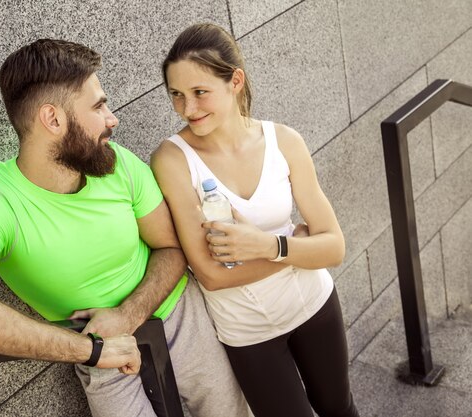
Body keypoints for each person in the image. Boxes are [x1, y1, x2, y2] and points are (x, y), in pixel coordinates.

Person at [0, 38, 249, 417]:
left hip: (180, 316)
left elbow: (172, 247)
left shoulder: (119, 163)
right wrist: (93, 350)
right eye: (98, 106)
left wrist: (128, 316)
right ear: (53, 119)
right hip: (100, 355)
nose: (112, 118)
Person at [151, 23, 360, 417]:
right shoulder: (172, 160)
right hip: (248, 332)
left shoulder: (284, 141)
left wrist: (268, 246)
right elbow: (211, 274)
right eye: (176, 95)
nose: (187, 109)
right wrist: (297, 250)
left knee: (338, 408)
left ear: (235, 81)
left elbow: (334, 247)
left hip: (313, 305)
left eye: (200, 93)